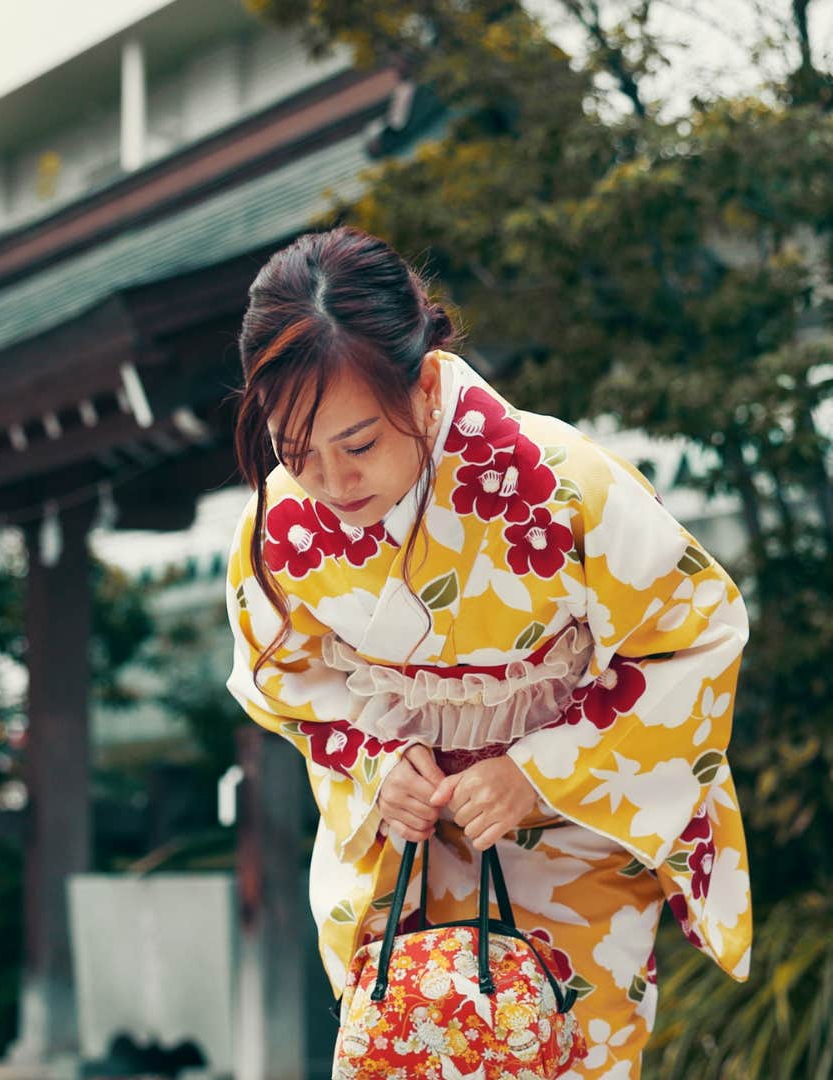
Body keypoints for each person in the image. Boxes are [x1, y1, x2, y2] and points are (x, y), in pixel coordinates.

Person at [222, 225, 752, 1078]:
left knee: (573, 1053)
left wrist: (536, 770)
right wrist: (376, 760)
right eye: (295, 451)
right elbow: (281, 674)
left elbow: (695, 634)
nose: (329, 481)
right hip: (411, 837)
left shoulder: (561, 481)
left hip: (573, 830)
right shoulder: (279, 522)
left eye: (357, 444)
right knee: (405, 1047)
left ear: (424, 384)